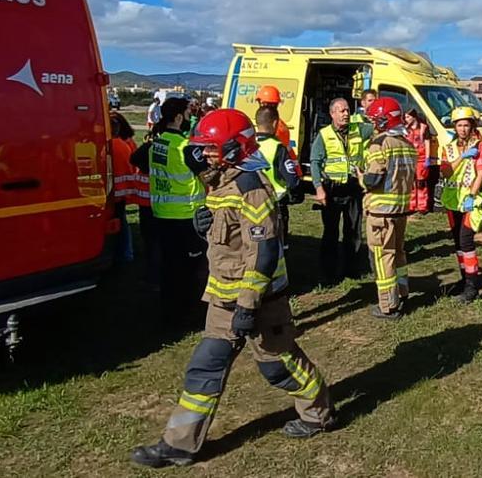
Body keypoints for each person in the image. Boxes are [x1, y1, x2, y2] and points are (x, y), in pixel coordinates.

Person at [131, 109, 334, 468]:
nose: (204, 154)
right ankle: (179, 445)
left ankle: (318, 412)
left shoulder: (250, 188)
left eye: (211, 148)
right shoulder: (222, 183)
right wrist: (203, 225)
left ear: (234, 147)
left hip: (261, 301)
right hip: (223, 299)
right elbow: (229, 240)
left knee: (279, 367)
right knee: (204, 367)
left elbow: (264, 252)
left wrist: (248, 306)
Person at [131, 97, 209, 320]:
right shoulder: (185, 147)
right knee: (191, 267)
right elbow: (207, 177)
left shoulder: (156, 142)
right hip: (186, 216)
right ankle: (187, 312)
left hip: (161, 214)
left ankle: (169, 309)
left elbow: (136, 159)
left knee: (168, 264)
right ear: (177, 117)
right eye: (187, 113)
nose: (189, 117)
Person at [358, 97, 417, 320]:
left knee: (383, 258)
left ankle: (388, 305)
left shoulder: (380, 144)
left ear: (383, 121)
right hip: (401, 211)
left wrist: (362, 178)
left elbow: (373, 179)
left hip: (381, 212)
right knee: (399, 254)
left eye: (375, 120)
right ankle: (403, 292)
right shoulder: (408, 144)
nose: (373, 124)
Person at [310, 97, 367, 284]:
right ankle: (329, 272)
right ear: (332, 113)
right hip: (332, 189)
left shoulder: (359, 129)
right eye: (341, 111)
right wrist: (319, 188)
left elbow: (378, 126)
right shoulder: (324, 134)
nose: (346, 114)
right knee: (331, 231)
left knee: (353, 231)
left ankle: (352, 269)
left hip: (353, 188)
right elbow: (315, 162)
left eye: (348, 110)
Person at [439, 106, 482, 304]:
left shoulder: (480, 146)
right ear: (454, 127)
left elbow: (481, 173)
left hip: (470, 201)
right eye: (459, 125)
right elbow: (445, 172)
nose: (462, 129)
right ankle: (464, 278)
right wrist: (461, 157)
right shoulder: (448, 148)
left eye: (466, 125)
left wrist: (471, 195)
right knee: (458, 243)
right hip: (453, 201)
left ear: (472, 126)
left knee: (466, 241)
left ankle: (472, 285)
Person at [255, 106, 302, 253]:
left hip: (251, 202)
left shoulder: (248, 145)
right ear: (275, 123)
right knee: (278, 244)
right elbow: (292, 179)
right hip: (275, 203)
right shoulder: (277, 148)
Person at [109, 112, 138, 263]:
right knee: (122, 221)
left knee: (119, 223)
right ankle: (126, 253)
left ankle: (125, 253)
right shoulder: (124, 144)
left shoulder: (111, 146)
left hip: (114, 191)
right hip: (124, 189)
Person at [404, 108, 435, 214]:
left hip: (421, 159)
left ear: (414, 117)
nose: (406, 119)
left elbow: (427, 143)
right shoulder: (405, 129)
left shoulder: (423, 128)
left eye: (408, 117)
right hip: (409, 159)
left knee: (421, 183)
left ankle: (422, 206)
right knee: (411, 183)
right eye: (405, 117)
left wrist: (427, 158)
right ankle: (411, 205)